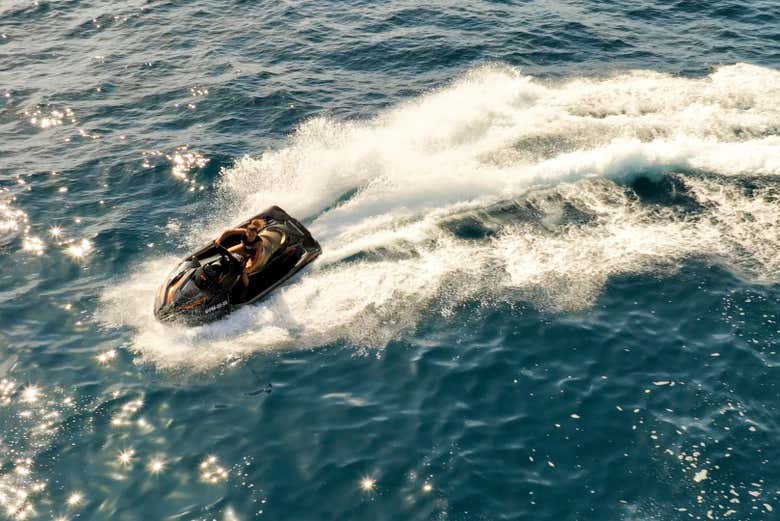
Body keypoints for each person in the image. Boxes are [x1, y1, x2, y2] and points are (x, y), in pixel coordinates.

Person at [214, 219, 285, 296]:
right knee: (227, 253)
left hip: (256, 255)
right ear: (246, 232)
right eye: (250, 235)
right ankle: (221, 271)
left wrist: (250, 267)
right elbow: (228, 232)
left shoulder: (259, 243)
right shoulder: (243, 231)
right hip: (245, 248)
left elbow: (257, 258)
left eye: (254, 235)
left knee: (244, 272)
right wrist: (219, 240)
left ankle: (247, 289)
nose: (252, 237)